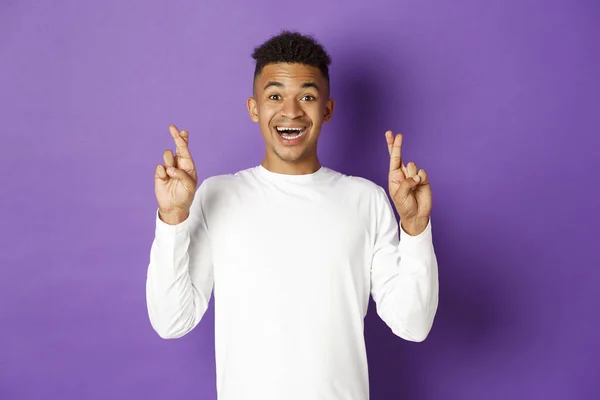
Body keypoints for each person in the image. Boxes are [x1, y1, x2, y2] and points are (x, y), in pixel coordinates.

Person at [146, 31, 439, 400]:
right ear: (254, 108)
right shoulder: (218, 196)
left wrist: (414, 227)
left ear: (327, 109)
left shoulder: (366, 200)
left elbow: (413, 325)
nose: (291, 111)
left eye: (307, 96)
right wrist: (173, 218)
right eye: (274, 96)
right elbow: (172, 321)